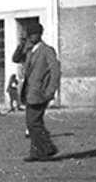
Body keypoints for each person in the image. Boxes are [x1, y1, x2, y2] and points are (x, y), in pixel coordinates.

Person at [12, 22, 61, 161]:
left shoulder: (47, 50)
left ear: (40, 34)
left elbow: (55, 71)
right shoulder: (29, 50)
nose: (33, 37)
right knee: (32, 122)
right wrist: (21, 45)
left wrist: (50, 91)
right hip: (30, 92)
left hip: (40, 92)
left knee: (33, 123)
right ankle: (36, 153)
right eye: (30, 34)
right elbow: (15, 59)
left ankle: (47, 149)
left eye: (35, 34)